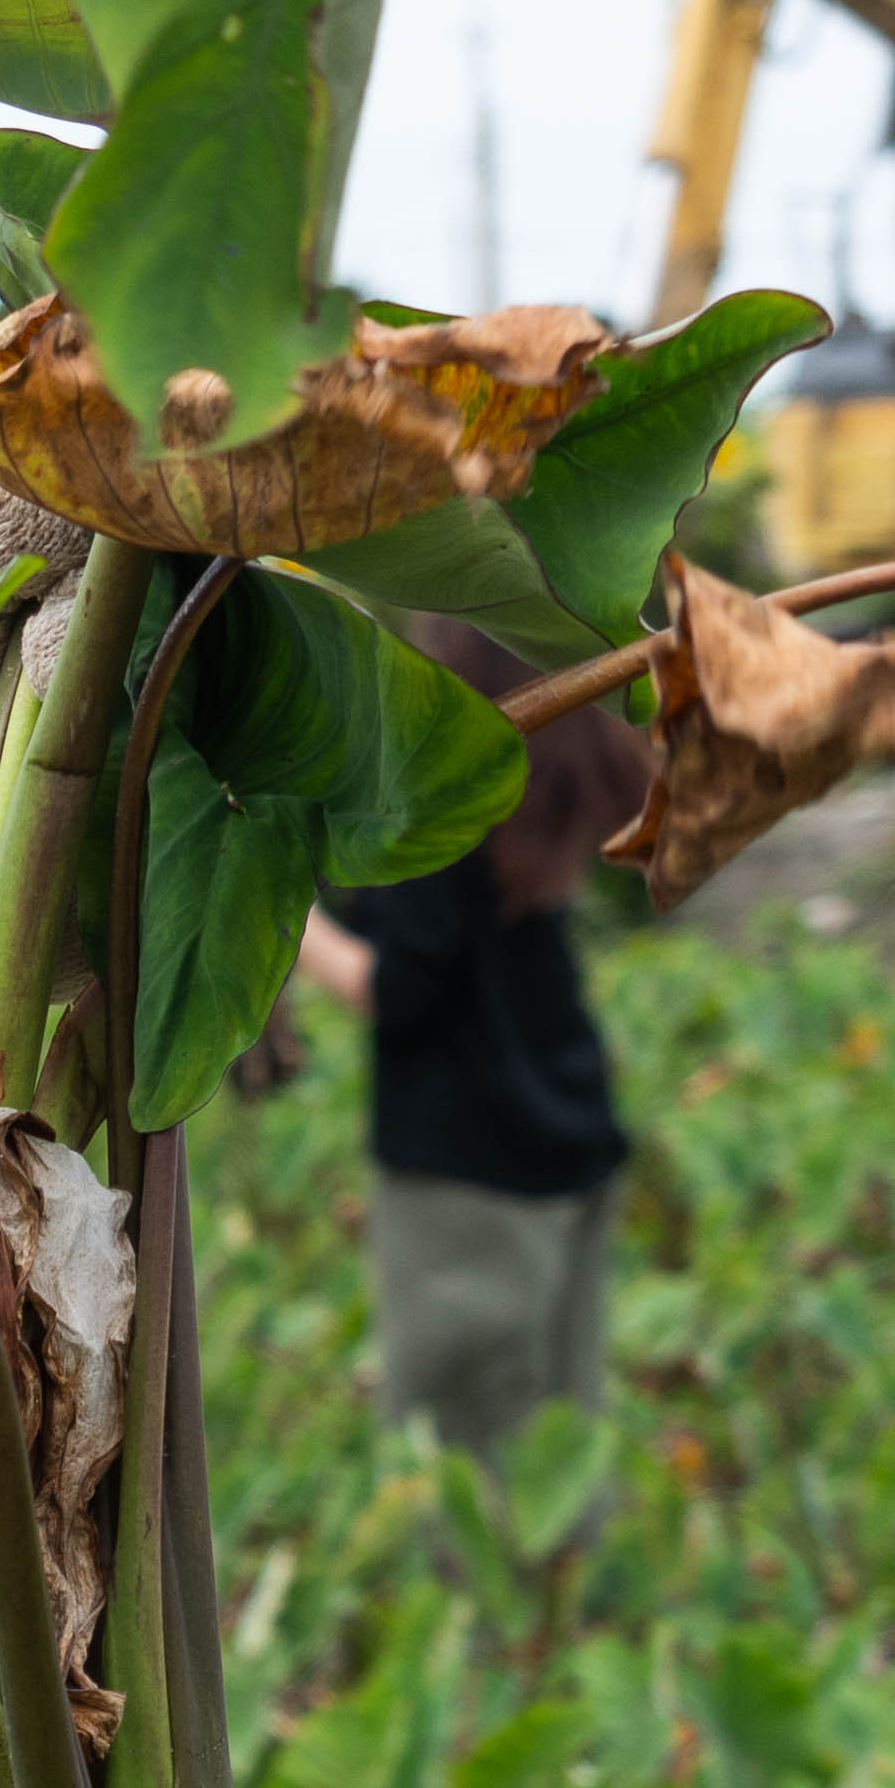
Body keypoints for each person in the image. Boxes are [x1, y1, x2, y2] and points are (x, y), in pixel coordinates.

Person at [293, 621, 655, 1470]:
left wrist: (290, 929)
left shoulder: (441, 789)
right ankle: (566, 1603)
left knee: (465, 1463)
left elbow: (399, 989)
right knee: (562, 1439)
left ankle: (507, 1608)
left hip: (470, 1169)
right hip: (569, 1128)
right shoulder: (546, 758)